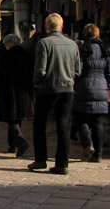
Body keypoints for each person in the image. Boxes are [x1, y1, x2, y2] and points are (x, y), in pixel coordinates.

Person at [28, 13, 81, 175]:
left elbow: (40, 69)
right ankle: (62, 164)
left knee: (39, 124)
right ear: (61, 26)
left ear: (46, 27)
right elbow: (78, 70)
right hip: (66, 89)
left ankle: (41, 159)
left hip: (47, 89)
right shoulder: (72, 45)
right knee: (63, 126)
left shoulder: (44, 43)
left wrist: (37, 84)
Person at [72, 23, 110, 163]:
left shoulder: (83, 49)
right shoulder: (104, 49)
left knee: (81, 118)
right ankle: (98, 154)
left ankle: (87, 144)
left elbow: (78, 70)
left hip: (84, 87)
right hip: (101, 87)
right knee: (97, 122)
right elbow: (108, 71)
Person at [0, 33, 34, 157]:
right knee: (17, 116)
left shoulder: (7, 55)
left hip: (9, 91)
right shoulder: (25, 54)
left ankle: (20, 142)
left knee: (11, 118)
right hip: (24, 91)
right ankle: (12, 145)